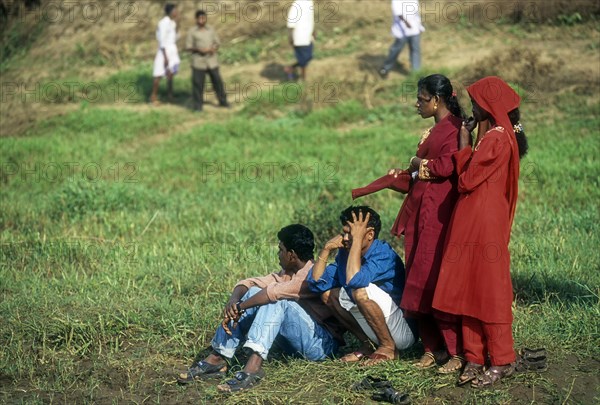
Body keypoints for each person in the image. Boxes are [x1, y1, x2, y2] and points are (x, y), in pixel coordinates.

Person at [432, 76, 529, 387]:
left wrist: (463, 140)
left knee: (489, 290)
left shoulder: (498, 139)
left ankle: (503, 358)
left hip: (484, 223)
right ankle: (474, 355)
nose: (471, 107)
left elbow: (466, 180)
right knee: (470, 287)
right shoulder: (493, 136)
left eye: (476, 102)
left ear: (488, 106)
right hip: (472, 220)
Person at [177, 224, 344, 392]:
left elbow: (274, 293)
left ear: (291, 255)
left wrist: (240, 307)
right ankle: (217, 358)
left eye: (281, 250)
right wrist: (234, 301)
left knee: (278, 301)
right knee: (255, 292)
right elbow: (250, 283)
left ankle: (253, 368)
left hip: (320, 346)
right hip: (297, 341)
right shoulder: (286, 273)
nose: (278, 254)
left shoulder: (312, 275)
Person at [387, 75, 466, 374]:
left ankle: (455, 351)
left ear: (436, 100)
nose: (416, 103)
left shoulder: (457, 129)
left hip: (438, 214)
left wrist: (415, 163)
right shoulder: (435, 130)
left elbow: (448, 166)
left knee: (436, 279)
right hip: (421, 211)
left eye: (421, 99)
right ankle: (431, 348)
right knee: (417, 278)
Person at [308, 206, 416, 365]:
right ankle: (368, 345)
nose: (345, 238)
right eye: (343, 232)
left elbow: (355, 280)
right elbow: (317, 284)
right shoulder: (346, 252)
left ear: (370, 235)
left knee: (358, 291)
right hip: (377, 327)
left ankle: (388, 347)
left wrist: (357, 240)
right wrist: (326, 249)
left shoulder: (383, 254)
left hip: (403, 332)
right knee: (329, 295)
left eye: (350, 233)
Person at [186, 10, 229, 112]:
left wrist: (214, 48)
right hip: (198, 62)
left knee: (218, 82)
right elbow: (188, 47)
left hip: (211, 61)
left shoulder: (211, 29)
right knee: (198, 84)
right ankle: (198, 107)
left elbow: (217, 42)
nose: (202, 20)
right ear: (196, 19)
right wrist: (199, 50)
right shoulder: (192, 32)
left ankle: (223, 102)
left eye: (204, 18)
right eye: (200, 18)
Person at [379, 0, 425, 79]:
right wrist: (407, 23)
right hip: (402, 30)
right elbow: (398, 13)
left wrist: (420, 26)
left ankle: (416, 72)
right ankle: (385, 68)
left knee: (415, 50)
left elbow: (416, 14)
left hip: (414, 29)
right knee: (396, 49)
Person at [150, 3, 180, 105]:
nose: (176, 12)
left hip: (172, 50)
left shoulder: (173, 23)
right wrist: (165, 56)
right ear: (170, 12)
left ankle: (170, 96)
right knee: (158, 74)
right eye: (175, 10)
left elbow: (175, 38)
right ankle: (153, 97)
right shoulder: (163, 22)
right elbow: (162, 40)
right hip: (164, 51)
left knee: (170, 74)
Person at [284, 0, 315, 81]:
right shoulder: (296, 4)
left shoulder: (309, 2)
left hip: (308, 35)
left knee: (309, 57)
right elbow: (291, 22)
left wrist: (313, 30)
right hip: (299, 36)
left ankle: (290, 68)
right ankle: (303, 79)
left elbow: (310, 18)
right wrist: (291, 37)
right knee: (303, 60)